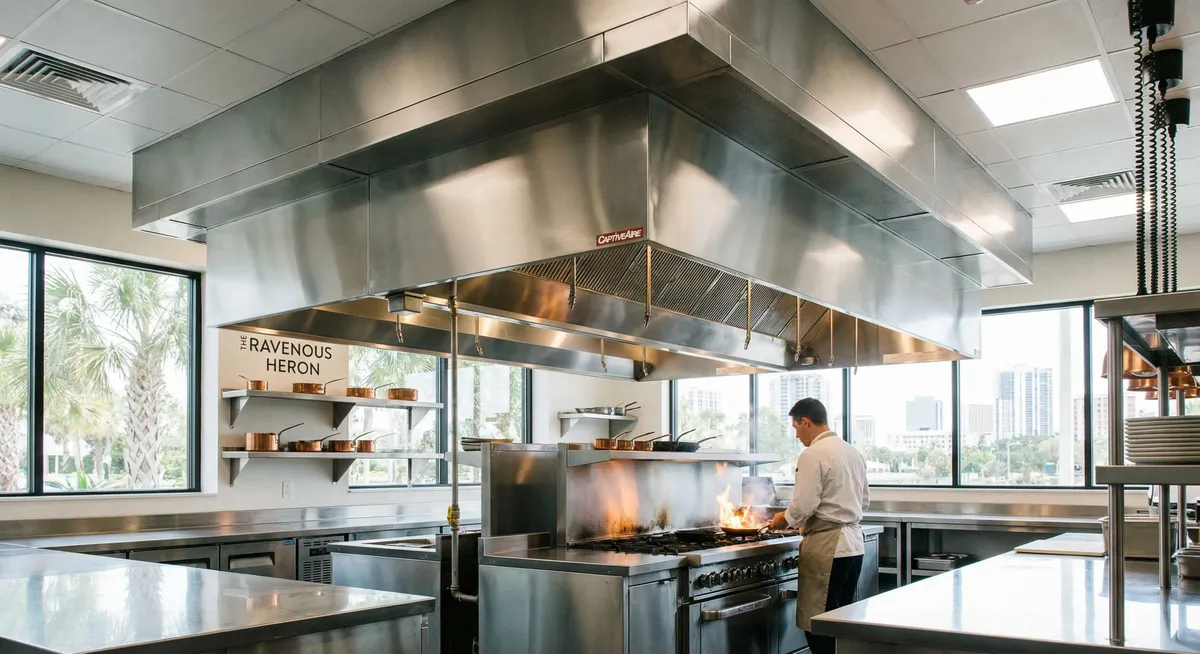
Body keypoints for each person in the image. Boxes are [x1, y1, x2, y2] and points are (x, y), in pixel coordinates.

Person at [769, 397, 869, 654]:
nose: (796, 435)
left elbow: (804, 505)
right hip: (854, 546)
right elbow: (864, 501)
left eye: (795, 428)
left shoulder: (812, 454)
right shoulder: (852, 452)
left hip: (828, 548)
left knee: (819, 625)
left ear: (805, 421)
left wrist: (784, 520)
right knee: (841, 624)